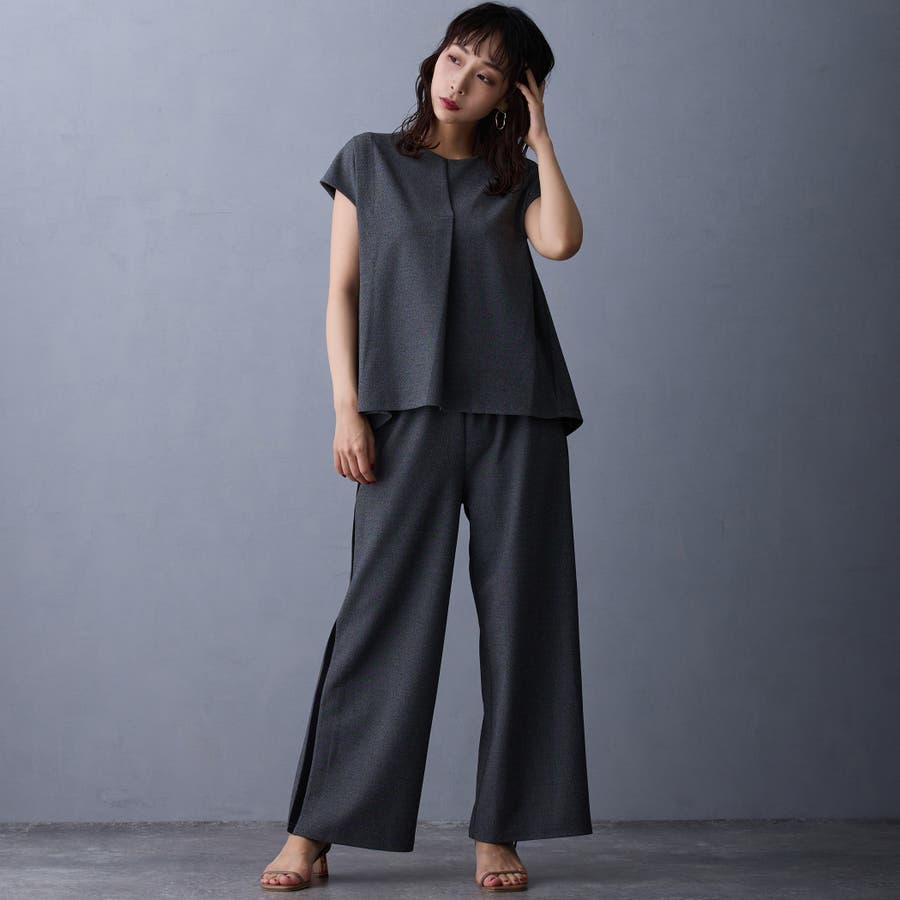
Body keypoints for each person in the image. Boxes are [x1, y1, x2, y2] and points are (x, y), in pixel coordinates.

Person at [259, 2, 592, 892]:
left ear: (509, 96)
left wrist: (541, 140)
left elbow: (561, 243)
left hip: (518, 414)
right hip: (402, 416)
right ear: (433, 59)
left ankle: (501, 829)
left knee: (525, 619)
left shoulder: (514, 177)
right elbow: (341, 292)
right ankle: (316, 830)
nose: (460, 83)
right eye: (455, 59)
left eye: (488, 76)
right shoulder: (368, 161)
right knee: (381, 616)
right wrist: (347, 408)